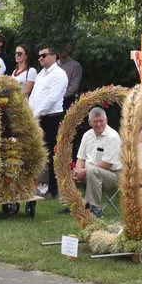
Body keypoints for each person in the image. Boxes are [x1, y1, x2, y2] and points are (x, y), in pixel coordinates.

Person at [28, 44, 69, 199]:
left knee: (52, 153)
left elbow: (52, 98)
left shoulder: (59, 74)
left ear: (54, 56)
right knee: (36, 151)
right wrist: (30, 112)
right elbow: (34, 95)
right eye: (39, 56)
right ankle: (35, 185)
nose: (40, 58)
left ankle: (52, 189)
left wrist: (36, 114)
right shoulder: (40, 75)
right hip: (38, 117)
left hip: (52, 117)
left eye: (43, 55)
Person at [71, 107, 122, 217]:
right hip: (90, 172)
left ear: (106, 120)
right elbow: (81, 158)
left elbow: (107, 164)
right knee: (65, 171)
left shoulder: (112, 137)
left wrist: (84, 171)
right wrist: (78, 170)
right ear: (90, 122)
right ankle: (71, 205)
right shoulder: (87, 135)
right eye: (95, 121)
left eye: (101, 121)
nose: (99, 124)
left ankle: (94, 209)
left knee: (92, 171)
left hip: (113, 176)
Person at [57, 43, 83, 109]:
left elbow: (73, 87)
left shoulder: (75, 65)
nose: (60, 51)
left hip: (67, 102)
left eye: (62, 48)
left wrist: (58, 97)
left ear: (68, 48)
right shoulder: (54, 64)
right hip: (51, 102)